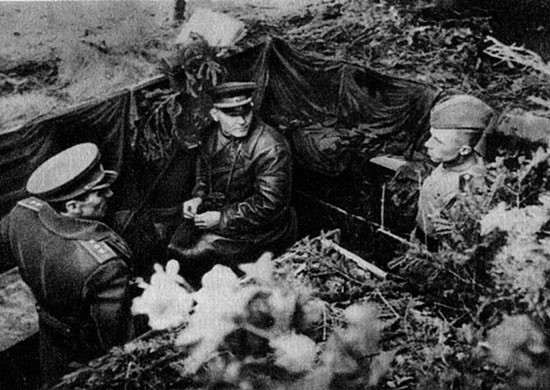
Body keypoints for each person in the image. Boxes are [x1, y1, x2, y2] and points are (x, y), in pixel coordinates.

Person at [0, 143, 134, 387]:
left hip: (50, 338)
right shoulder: (103, 265)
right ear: (73, 207)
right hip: (86, 354)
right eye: (100, 192)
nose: (110, 195)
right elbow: (115, 341)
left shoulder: (20, 214)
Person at [168, 81, 296, 286]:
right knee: (174, 243)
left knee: (195, 252)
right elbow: (204, 172)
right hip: (220, 211)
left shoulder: (271, 148)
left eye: (246, 112)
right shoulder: (211, 134)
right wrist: (198, 196)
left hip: (261, 229)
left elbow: (271, 204)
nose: (242, 121)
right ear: (215, 114)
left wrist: (222, 218)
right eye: (232, 115)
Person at [416, 94, 494, 240]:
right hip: (422, 235)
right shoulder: (452, 161)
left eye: (438, 141)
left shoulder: (469, 186)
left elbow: (459, 238)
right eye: (431, 136)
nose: (427, 144)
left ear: (464, 150)